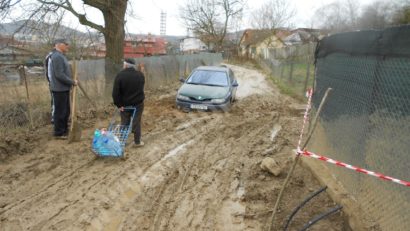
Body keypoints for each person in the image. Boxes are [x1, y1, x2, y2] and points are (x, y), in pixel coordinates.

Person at [48, 38, 78, 139]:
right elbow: (59, 74)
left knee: (66, 111)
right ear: (59, 45)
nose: (67, 46)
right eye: (66, 44)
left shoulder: (61, 56)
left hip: (64, 88)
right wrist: (72, 82)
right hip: (59, 89)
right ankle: (59, 132)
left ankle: (64, 130)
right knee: (60, 111)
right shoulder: (57, 57)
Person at [112, 58, 145, 147]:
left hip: (125, 105)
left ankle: (122, 142)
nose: (123, 65)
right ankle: (137, 142)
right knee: (136, 122)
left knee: (124, 122)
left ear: (126, 65)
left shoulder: (120, 76)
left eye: (123, 64)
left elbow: (115, 93)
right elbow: (141, 88)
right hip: (138, 104)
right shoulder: (140, 75)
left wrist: (119, 105)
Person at [44, 45, 57, 124]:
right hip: (53, 83)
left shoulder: (52, 55)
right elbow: (49, 72)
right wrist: (51, 82)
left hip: (54, 83)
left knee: (56, 100)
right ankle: (54, 117)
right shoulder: (51, 56)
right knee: (55, 100)